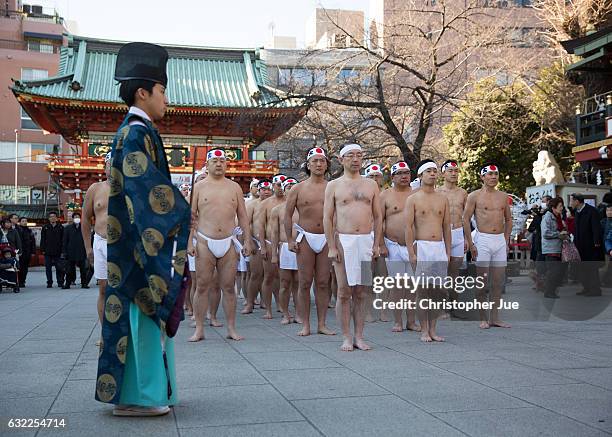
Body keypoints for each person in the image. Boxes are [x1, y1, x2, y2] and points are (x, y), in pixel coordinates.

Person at [96, 42, 191, 416]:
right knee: (144, 314)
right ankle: (142, 397)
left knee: (134, 320)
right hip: (137, 248)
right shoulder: (136, 133)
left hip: (129, 243)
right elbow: (147, 194)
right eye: (162, 91)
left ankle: (136, 395)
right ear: (143, 92)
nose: (166, 99)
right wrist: (181, 209)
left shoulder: (134, 131)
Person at [187, 148, 254, 342]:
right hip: (204, 241)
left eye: (222, 161)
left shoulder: (234, 187)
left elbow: (242, 216)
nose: (219, 164)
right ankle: (199, 328)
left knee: (229, 287)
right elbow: (191, 217)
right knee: (201, 286)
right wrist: (188, 242)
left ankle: (231, 327)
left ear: (226, 164)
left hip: (228, 241)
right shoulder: (199, 187)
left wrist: (247, 240)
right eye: (215, 161)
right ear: (207, 165)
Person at [324, 143, 382, 351]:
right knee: (343, 291)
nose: (355, 159)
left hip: (365, 240)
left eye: (359, 155)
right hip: (344, 240)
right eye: (350, 156)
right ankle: (346, 336)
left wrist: (376, 243)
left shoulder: (371, 185)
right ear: (341, 160)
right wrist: (331, 245)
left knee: (362, 292)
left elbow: (378, 216)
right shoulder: (334, 185)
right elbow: (327, 217)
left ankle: (359, 335)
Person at [285, 147, 335, 336]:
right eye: (315, 161)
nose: (319, 164)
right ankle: (305, 324)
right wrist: (290, 239)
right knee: (304, 281)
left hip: (326, 237)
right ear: (308, 164)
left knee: (323, 281)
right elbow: (287, 216)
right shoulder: (298, 188)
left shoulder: (332, 186)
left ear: (327, 164)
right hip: (305, 237)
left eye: (322, 161)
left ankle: (322, 323)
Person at [405, 160, 451, 342]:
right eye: (428, 171)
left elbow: (447, 226)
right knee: (423, 291)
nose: (432, 174)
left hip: (438, 247)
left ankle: (433, 329)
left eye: (434, 171)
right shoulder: (413, 199)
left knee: (437, 292)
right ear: (421, 175)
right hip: (422, 246)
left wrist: (447, 251)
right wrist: (411, 252)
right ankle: (424, 329)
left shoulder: (443, 198)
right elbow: (408, 227)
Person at [463, 163, 513, 329]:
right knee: (482, 282)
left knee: (498, 282)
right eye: (490, 174)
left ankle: (495, 317)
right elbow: (465, 218)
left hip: (499, 239)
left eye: (496, 174)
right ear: (482, 176)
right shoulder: (474, 196)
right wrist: (470, 242)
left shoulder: (503, 196)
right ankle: (483, 318)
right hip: (483, 238)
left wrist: (506, 240)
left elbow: (509, 219)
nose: (493, 177)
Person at [380, 161, 419, 332]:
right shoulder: (385, 195)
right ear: (393, 176)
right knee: (397, 285)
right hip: (393, 244)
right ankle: (397, 321)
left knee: (412, 285)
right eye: (400, 173)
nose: (404, 176)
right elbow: (378, 221)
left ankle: (411, 321)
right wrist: (381, 244)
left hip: (414, 245)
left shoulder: (418, 194)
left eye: (407, 173)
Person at [82, 153, 111, 331]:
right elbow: (85, 219)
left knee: (125, 290)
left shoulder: (132, 188)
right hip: (101, 241)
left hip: (123, 244)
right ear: (105, 166)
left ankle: (124, 331)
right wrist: (87, 247)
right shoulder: (95, 188)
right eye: (110, 163)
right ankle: (105, 332)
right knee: (103, 289)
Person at [436, 160, 468, 317]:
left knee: (455, 274)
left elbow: (467, 218)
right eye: (450, 171)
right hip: (442, 234)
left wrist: (468, 239)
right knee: (442, 271)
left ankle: (454, 306)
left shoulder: (463, 193)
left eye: (456, 171)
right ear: (443, 173)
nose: (454, 173)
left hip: (458, 233)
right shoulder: (437, 192)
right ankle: (441, 307)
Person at [257, 174, 288, 319]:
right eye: (277, 185)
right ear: (273, 186)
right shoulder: (265, 204)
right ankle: (268, 309)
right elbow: (261, 227)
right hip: (270, 243)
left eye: (283, 185)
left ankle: (283, 305)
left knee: (285, 279)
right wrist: (262, 246)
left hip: (287, 243)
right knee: (269, 276)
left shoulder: (291, 202)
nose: (280, 188)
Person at [242, 179, 273, 314]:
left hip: (272, 242)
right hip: (256, 241)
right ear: (258, 190)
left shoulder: (275, 203)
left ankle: (269, 302)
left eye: (268, 189)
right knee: (256, 274)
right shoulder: (252, 205)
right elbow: (246, 225)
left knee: (272, 275)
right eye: (263, 189)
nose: (266, 192)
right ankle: (249, 303)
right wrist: (248, 242)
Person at [271, 178, 299, 324]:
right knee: (285, 283)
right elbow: (274, 234)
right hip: (284, 247)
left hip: (300, 248)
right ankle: (285, 314)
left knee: (299, 283)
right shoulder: (277, 210)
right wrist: (274, 254)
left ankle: (299, 313)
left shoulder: (303, 209)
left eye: (293, 186)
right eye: (288, 186)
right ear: (284, 189)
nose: (291, 189)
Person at [570, 193, 604, 296]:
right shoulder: (577, 212)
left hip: (591, 245)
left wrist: (596, 241)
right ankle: (586, 287)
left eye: (572, 200)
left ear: (577, 201)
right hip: (580, 245)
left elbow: (596, 227)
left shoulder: (591, 211)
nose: (570, 203)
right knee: (583, 268)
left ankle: (595, 290)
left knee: (591, 268)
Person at [540, 197, 569, 298]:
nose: (562, 208)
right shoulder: (547, 217)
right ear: (553, 207)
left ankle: (551, 291)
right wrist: (559, 234)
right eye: (560, 206)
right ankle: (548, 292)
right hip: (550, 249)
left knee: (558, 271)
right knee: (553, 271)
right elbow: (545, 233)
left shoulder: (559, 217)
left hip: (559, 248)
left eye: (562, 206)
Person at [62, 212, 89, 289]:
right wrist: (64, 252)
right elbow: (64, 241)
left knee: (83, 269)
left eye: (78, 217)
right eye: (75, 217)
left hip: (81, 251)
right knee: (69, 269)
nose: (77, 218)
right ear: (73, 219)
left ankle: (84, 284)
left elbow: (87, 239)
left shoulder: (84, 227)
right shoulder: (68, 228)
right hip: (71, 251)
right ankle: (67, 284)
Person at [40, 211, 64, 288]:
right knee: (48, 268)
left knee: (59, 267)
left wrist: (63, 250)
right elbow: (42, 239)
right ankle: (49, 282)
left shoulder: (61, 227)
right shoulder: (45, 227)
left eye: (54, 216)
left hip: (58, 251)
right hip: (47, 251)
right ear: (49, 218)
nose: (52, 218)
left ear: (57, 218)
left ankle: (60, 282)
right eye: (51, 216)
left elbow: (63, 240)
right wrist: (42, 249)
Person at [16, 217, 35, 288]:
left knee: (25, 268)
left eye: (26, 221)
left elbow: (33, 241)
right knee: (19, 267)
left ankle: (23, 281)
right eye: (23, 221)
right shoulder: (17, 230)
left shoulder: (29, 231)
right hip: (19, 252)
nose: (25, 222)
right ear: (20, 222)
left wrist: (33, 251)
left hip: (27, 252)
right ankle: (18, 281)